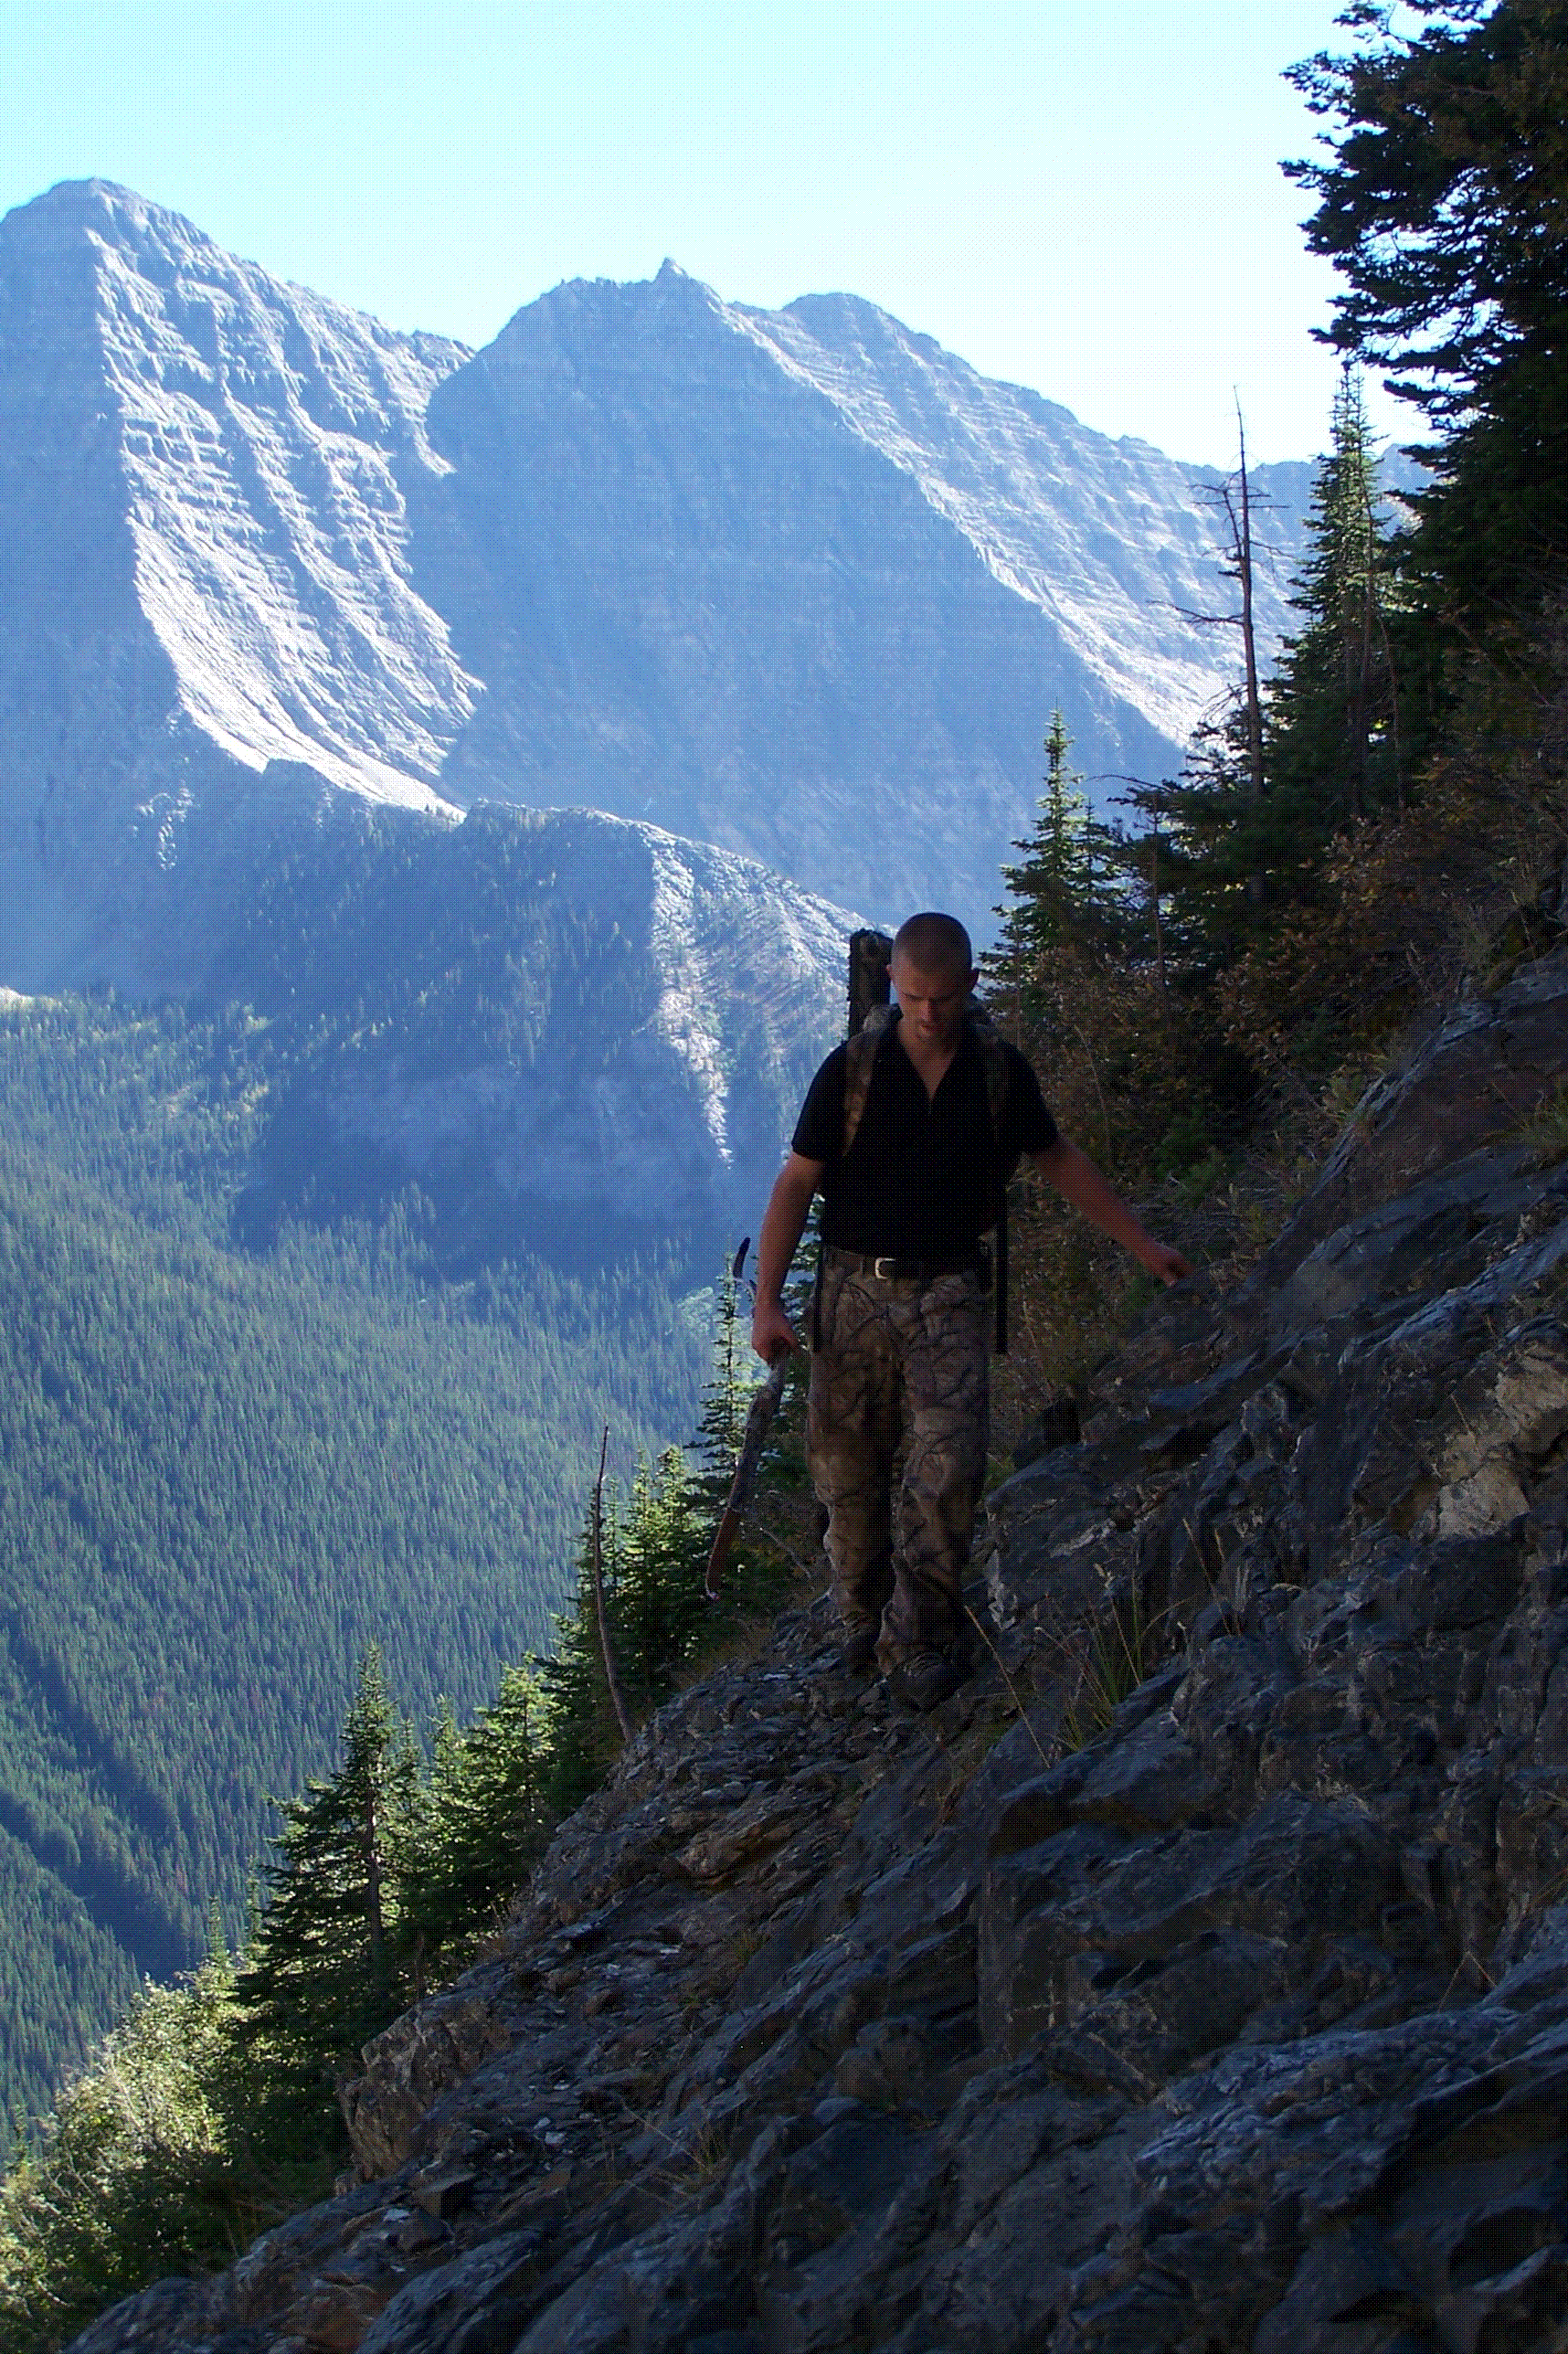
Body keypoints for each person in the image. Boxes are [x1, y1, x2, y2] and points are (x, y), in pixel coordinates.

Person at [750, 911, 1191, 1712]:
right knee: (845, 1471)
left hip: (950, 1290)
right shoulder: (849, 1070)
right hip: (849, 1293)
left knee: (948, 1463)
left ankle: (918, 1638)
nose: (929, 1014)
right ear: (893, 985)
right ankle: (862, 1617)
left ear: (971, 987)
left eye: (944, 998)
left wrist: (1142, 1244)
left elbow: (1055, 1157)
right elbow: (796, 1183)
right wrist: (768, 1305)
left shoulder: (998, 1072)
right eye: (916, 997)